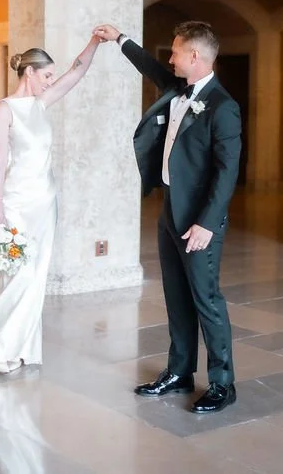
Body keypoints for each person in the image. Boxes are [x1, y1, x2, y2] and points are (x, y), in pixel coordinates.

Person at [94, 21, 241, 414]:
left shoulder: (223, 108)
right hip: (169, 212)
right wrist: (120, 40)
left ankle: (223, 384)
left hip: (199, 222)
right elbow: (150, 67)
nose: (170, 58)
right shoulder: (178, 88)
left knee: (206, 300)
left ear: (195, 57)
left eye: (176, 52)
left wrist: (207, 223)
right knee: (176, 298)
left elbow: (227, 173)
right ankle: (180, 372)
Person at [0, 35, 104, 374]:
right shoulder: (5, 109)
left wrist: (94, 42)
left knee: (36, 276)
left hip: (46, 201)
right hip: (17, 202)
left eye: (51, 78)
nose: (50, 82)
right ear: (29, 72)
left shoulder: (41, 103)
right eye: (46, 76)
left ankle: (14, 343)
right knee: (18, 274)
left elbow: (76, 73)